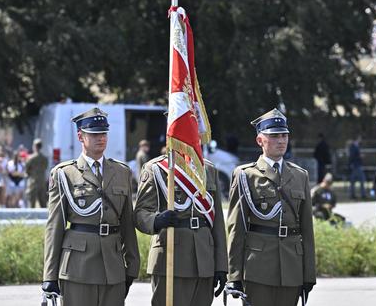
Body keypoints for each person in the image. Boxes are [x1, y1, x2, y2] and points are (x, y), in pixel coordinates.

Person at [42, 107, 139, 306]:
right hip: (78, 268)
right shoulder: (64, 174)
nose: (100, 138)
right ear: (80, 136)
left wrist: (132, 265)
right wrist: (49, 275)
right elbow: (55, 226)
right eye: (94, 134)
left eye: (103, 133)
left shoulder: (122, 172)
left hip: (113, 266)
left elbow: (127, 222)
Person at [225, 108, 315, 306]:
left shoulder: (300, 175)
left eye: (284, 135)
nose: (281, 141)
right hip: (258, 267)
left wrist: (309, 273)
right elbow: (236, 228)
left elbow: (307, 230)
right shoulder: (245, 175)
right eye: (274, 136)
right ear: (260, 141)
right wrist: (234, 276)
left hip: (292, 266)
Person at [134, 155, 228, 306]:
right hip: (171, 257)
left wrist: (221, 265)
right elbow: (140, 213)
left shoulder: (208, 168)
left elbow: (217, 221)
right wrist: (156, 220)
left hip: (205, 259)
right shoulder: (157, 168)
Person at [25, 139, 49, 208]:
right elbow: (45, 168)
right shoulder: (44, 158)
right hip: (42, 182)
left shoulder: (30, 158)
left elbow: (27, 170)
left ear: (35, 146)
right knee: (43, 204)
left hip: (33, 182)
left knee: (31, 204)